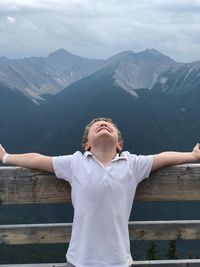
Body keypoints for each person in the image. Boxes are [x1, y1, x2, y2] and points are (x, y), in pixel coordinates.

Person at [0, 117, 200, 267]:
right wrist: (6, 157)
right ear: (86, 144)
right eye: (97, 125)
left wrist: (192, 155)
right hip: (80, 259)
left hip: (118, 260)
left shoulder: (132, 164)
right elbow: (39, 159)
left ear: (119, 144)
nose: (103, 124)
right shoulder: (75, 162)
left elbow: (163, 157)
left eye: (108, 125)